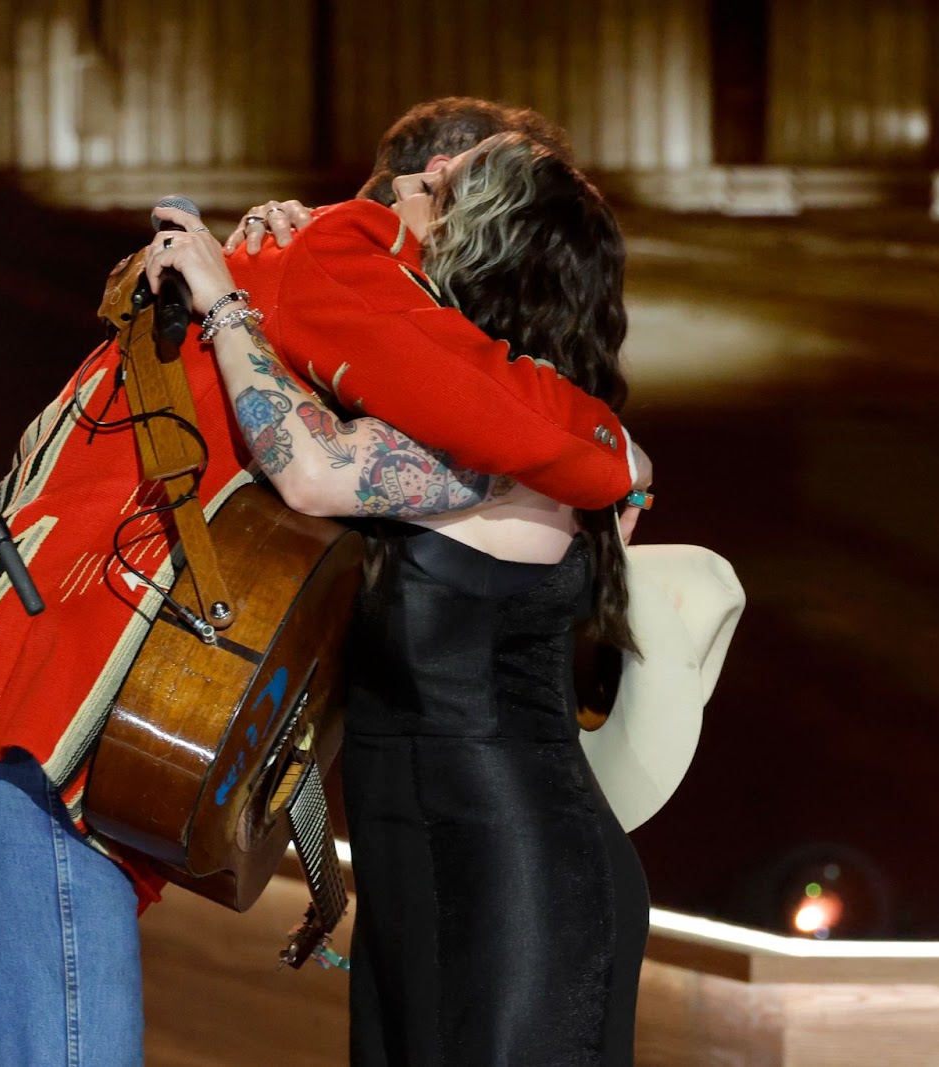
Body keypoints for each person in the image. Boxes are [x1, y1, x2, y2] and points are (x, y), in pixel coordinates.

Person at [0, 99, 641, 1065]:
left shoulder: (341, 336)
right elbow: (582, 458)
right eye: (431, 183)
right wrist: (624, 462)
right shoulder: (334, 272)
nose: (404, 195)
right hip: (21, 743)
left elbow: (520, 441)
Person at [148, 131, 648, 1065]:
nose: (412, 185)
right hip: (416, 858)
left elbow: (309, 470)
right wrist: (276, 268)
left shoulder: (503, 455)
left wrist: (226, 302)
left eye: (441, 187)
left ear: (481, 251)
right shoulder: (495, 431)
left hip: (519, 879)